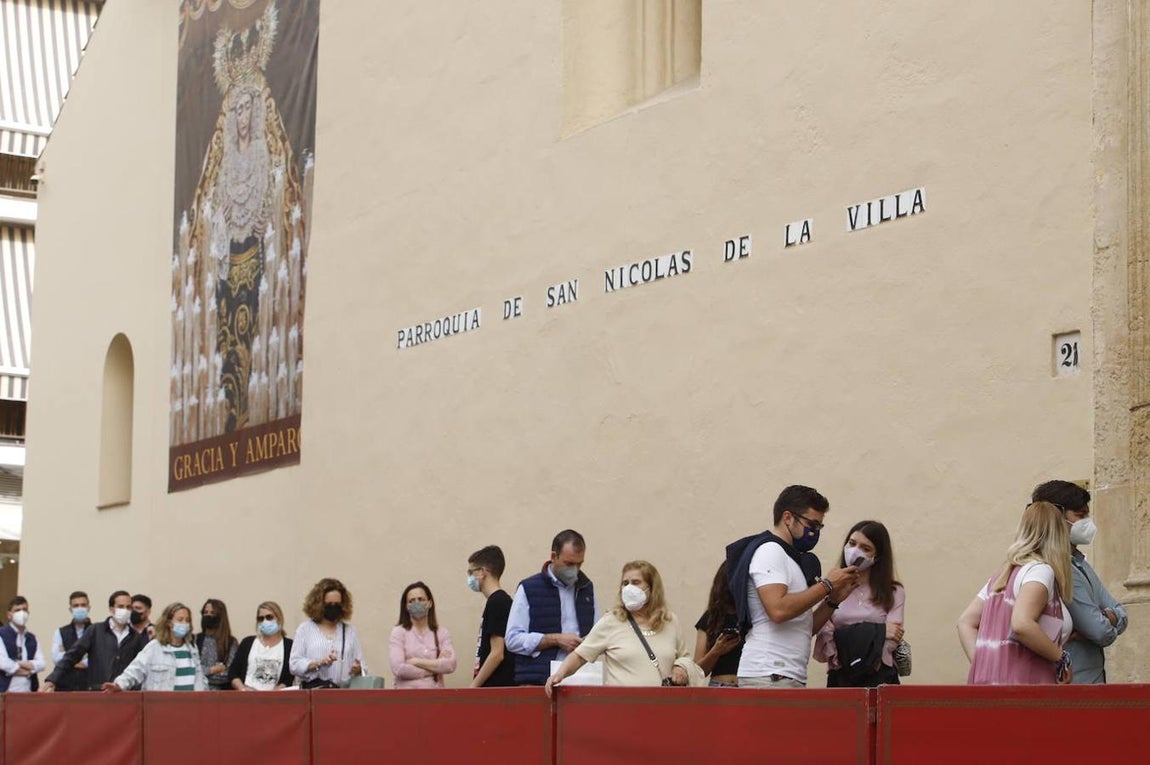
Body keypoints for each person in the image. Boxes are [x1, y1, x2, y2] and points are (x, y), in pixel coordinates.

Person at [726, 485, 858, 689]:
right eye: (811, 524)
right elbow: (778, 610)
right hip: (770, 673)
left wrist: (833, 601)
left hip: (785, 674)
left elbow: (803, 627)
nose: (815, 532)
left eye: (819, 527)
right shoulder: (770, 551)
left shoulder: (789, 559)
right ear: (788, 517)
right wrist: (827, 584)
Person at [958, 501, 1075, 684]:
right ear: (1058, 535)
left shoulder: (1002, 576)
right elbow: (1021, 623)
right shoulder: (1040, 571)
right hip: (1026, 685)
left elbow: (966, 621)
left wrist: (984, 663)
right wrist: (1060, 657)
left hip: (990, 686)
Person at [545, 560, 704, 695]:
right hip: (622, 709)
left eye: (636, 582)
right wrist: (559, 675)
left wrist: (681, 668)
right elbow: (580, 655)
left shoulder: (670, 621)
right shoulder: (611, 621)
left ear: (651, 587)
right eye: (625, 583)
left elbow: (684, 657)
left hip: (663, 709)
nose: (628, 588)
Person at [1032, 480, 1129, 684]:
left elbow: (1120, 612)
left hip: (1092, 681)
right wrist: (1105, 620)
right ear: (1057, 517)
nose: (1087, 522)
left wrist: (1109, 617)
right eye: (1080, 515)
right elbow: (1100, 631)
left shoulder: (1079, 563)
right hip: (1072, 684)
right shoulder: (1058, 568)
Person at [813, 520, 906, 687]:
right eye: (852, 543)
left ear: (877, 557)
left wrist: (845, 636)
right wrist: (880, 631)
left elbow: (893, 639)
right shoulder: (831, 585)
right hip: (841, 675)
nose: (855, 551)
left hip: (879, 676)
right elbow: (825, 637)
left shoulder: (892, 592)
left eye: (866, 548)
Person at [506, 529, 599, 686]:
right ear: (553, 557)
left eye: (579, 564)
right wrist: (554, 639)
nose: (575, 570)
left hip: (580, 680)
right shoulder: (529, 588)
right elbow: (512, 639)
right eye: (569, 564)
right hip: (537, 681)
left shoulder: (586, 589)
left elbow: (598, 635)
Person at [42, 590, 148, 692]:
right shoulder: (96, 630)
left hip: (124, 694)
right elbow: (73, 655)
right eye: (120, 606)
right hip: (98, 692)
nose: (125, 610)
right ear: (111, 609)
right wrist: (52, 679)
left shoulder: (135, 637)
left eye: (128, 607)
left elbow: (141, 667)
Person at [105, 602, 205, 692]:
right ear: (169, 623)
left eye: (187, 620)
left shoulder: (192, 649)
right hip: (163, 706)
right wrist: (119, 684)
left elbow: (200, 679)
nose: (184, 623)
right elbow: (136, 669)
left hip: (191, 706)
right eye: (180, 620)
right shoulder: (155, 647)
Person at [289, 578, 366, 688]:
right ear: (319, 605)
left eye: (337, 604)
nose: (333, 608)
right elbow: (294, 664)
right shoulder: (305, 629)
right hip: (314, 691)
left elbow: (363, 666)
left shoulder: (350, 632)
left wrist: (358, 669)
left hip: (343, 694)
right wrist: (318, 663)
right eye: (329, 604)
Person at [389, 581, 456, 688]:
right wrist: (435, 667)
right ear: (406, 606)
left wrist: (415, 661)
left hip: (435, 697)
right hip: (406, 698)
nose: (417, 603)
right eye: (411, 601)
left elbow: (450, 665)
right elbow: (399, 669)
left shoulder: (442, 633)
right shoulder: (398, 632)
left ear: (429, 603)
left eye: (421, 599)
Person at [467, 545, 515, 687]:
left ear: (482, 572)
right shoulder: (496, 601)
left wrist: (474, 685)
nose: (469, 578)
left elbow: (497, 653)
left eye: (471, 572)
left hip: (497, 687)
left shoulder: (497, 602)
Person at [693, 562, 743, 687]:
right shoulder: (711, 618)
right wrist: (716, 651)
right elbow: (697, 671)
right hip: (719, 686)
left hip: (747, 686)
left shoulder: (751, 617)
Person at [229, 601, 295, 691]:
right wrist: (242, 689)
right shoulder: (247, 643)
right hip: (246, 698)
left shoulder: (289, 646)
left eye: (269, 617)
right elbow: (233, 672)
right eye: (260, 618)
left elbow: (289, 677)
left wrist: (277, 691)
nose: (265, 621)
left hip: (275, 700)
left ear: (279, 618)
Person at [50, 591, 92, 692]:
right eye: (76, 606)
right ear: (70, 609)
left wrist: (68, 658)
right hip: (64, 687)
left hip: (88, 687)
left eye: (83, 605)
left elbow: (98, 659)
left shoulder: (96, 631)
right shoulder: (60, 632)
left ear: (89, 608)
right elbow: (56, 658)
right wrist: (84, 659)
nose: (80, 608)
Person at [1, 596, 44, 693]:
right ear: (9, 615)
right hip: (5, 691)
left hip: (28, 691)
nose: (22, 613)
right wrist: (28, 671)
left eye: (24, 609)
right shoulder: (1, 635)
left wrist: (18, 663)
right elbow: (3, 663)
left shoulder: (32, 638)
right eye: (17, 610)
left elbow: (41, 664)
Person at [197, 598, 238, 691]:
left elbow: (229, 673)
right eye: (205, 612)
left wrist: (204, 673)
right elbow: (193, 670)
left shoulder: (230, 642)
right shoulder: (195, 640)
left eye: (212, 613)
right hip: (198, 691)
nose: (208, 615)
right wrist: (212, 670)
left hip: (223, 694)